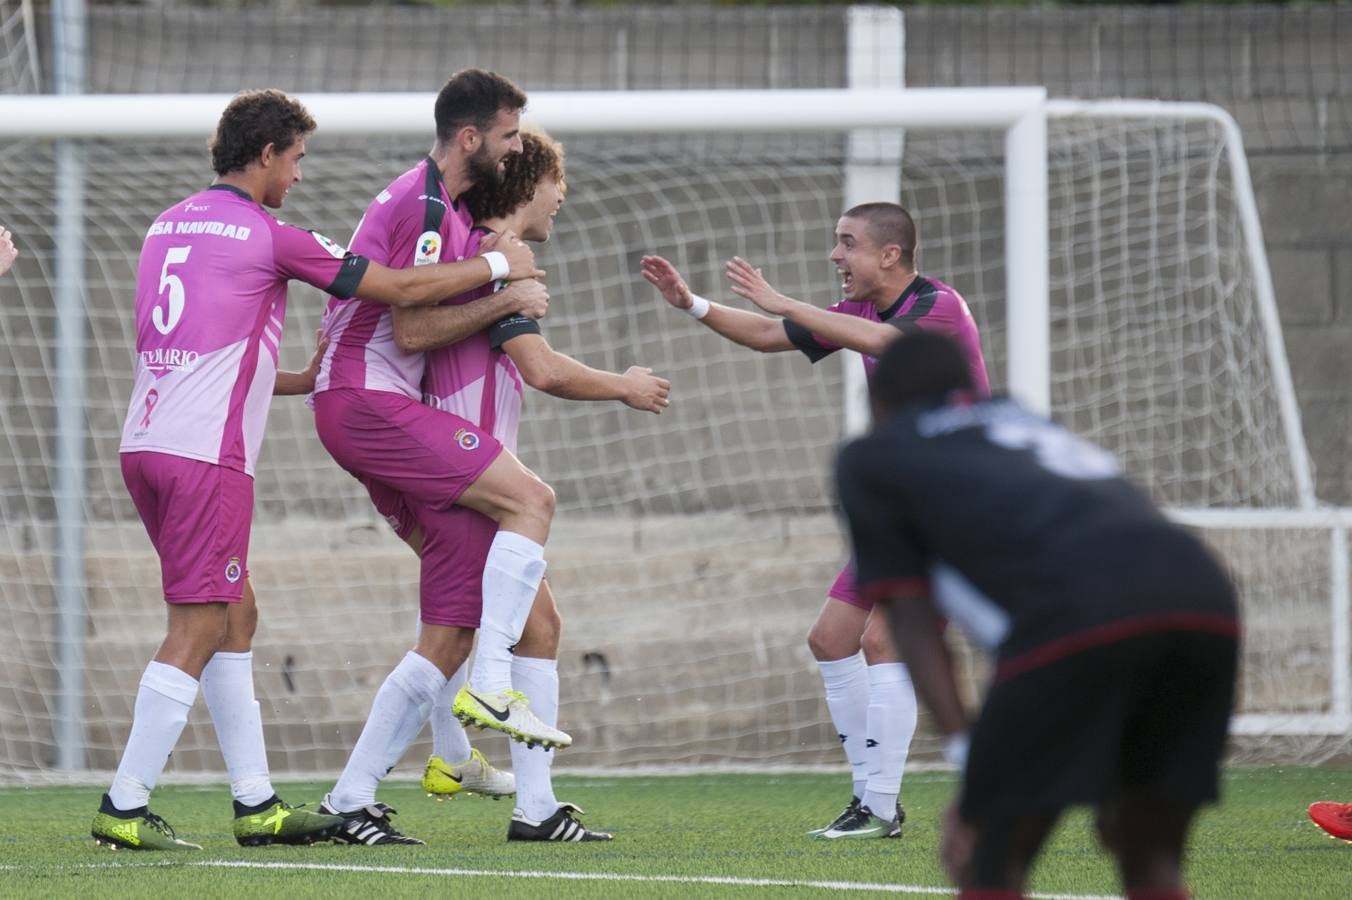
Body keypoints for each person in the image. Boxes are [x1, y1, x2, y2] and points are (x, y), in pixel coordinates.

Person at [92, 88, 540, 852]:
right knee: (200, 623)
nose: (298, 176)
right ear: (266, 154)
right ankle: (124, 805)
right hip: (209, 456)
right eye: (295, 159)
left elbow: (214, 345)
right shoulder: (269, 234)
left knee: (238, 613)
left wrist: (305, 378)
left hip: (147, 442)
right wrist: (502, 261)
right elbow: (398, 292)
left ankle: (256, 802)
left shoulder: (165, 225)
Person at [835, 331, 1240, 899]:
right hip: (1204, 598)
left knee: (985, 861)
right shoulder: (1020, 419)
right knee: (1148, 857)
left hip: (1074, 615)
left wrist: (968, 754)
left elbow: (911, 621)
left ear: (880, 404)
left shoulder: (874, 456)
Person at [641, 202, 988, 839]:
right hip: (905, 508)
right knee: (831, 640)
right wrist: (692, 303)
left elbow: (888, 343)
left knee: (885, 641)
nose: (835, 256)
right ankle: (869, 800)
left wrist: (782, 299)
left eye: (847, 244)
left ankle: (880, 808)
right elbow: (768, 336)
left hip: (959, 502)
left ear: (890, 255)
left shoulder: (937, 305)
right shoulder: (855, 313)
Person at [312, 69, 573, 845]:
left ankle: (365, 799)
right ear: (471, 139)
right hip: (370, 404)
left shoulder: (445, 212)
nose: (517, 148)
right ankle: (486, 698)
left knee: (488, 625)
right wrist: (508, 288)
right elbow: (415, 334)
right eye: (509, 135)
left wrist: (497, 272)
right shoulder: (429, 206)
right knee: (534, 502)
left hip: (372, 409)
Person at [384, 130, 664, 841]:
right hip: (465, 476)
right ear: (529, 179)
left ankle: (515, 795)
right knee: (456, 640)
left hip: (458, 471)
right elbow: (540, 368)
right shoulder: (492, 263)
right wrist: (624, 386)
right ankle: (359, 792)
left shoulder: (479, 257)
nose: (563, 195)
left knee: (528, 626)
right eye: (556, 178)